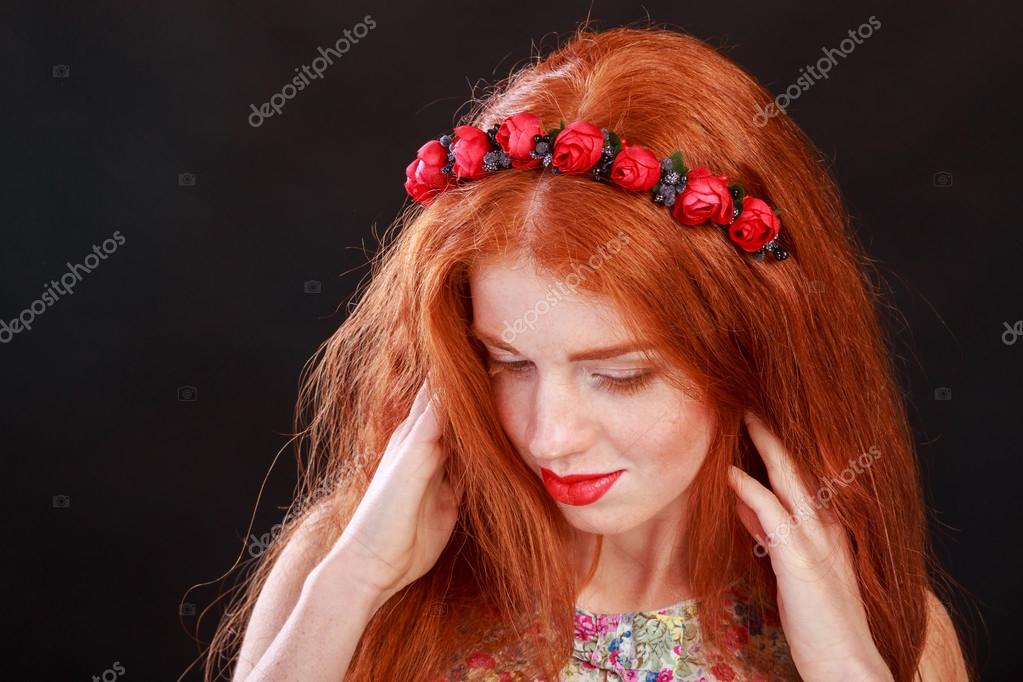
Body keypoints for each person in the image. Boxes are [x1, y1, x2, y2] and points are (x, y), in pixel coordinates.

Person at [205, 24, 971, 682]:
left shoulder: (883, 627)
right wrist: (354, 582)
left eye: (619, 375)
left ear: (752, 359)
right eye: (507, 363)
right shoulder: (344, 564)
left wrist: (847, 666)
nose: (550, 436)